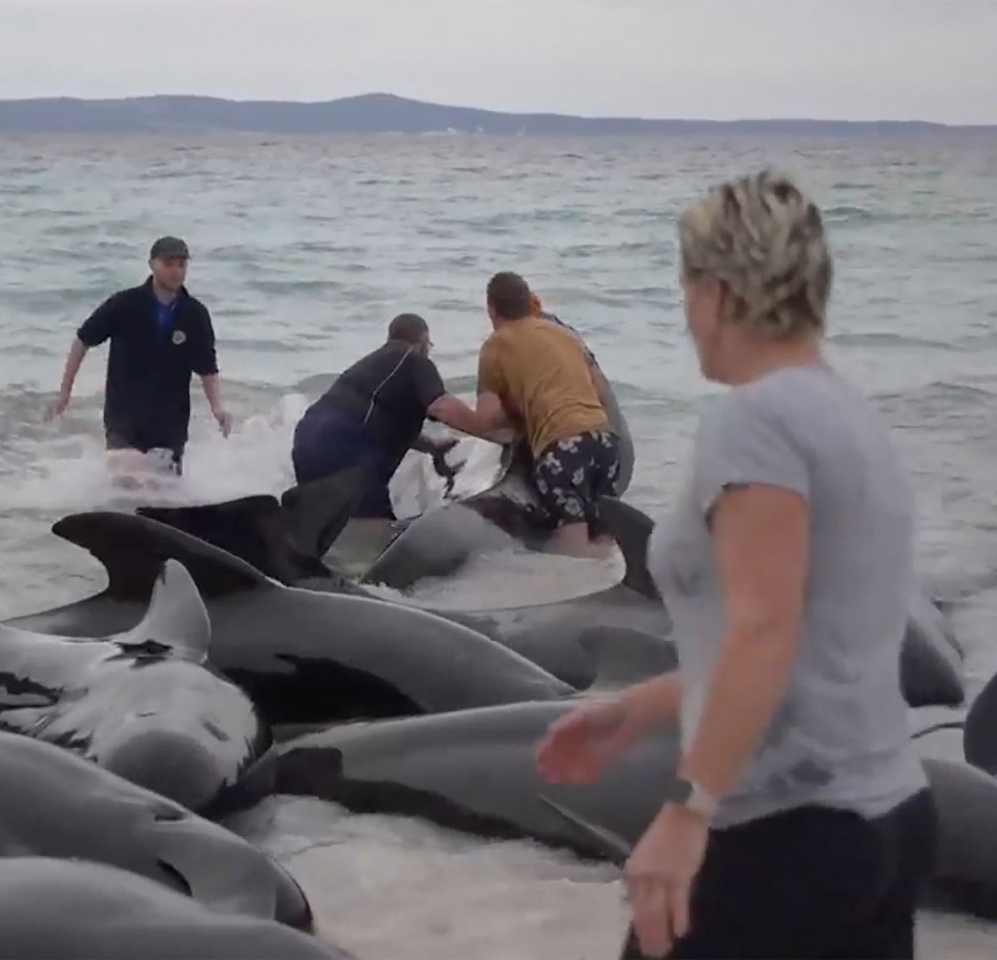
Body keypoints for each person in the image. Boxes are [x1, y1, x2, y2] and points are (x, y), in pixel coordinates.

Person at [535, 169, 935, 959]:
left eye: (687, 285)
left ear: (719, 290)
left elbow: (765, 630)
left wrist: (687, 812)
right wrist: (638, 709)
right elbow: (813, 648)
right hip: (889, 824)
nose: (685, 310)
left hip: (782, 835)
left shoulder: (756, 419)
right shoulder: (850, 420)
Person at [291, 312, 508, 521]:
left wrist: (432, 447)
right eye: (429, 345)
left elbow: (376, 420)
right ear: (423, 341)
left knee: (323, 526)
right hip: (349, 448)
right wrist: (493, 434)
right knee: (372, 531)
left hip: (306, 439)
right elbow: (441, 406)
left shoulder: (371, 365)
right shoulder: (414, 361)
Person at [47, 236, 232, 477]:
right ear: (152, 264)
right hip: (123, 415)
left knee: (164, 496)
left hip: (170, 421)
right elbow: (83, 341)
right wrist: (65, 393)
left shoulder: (195, 313)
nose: (176, 271)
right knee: (126, 481)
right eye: (169, 263)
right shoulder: (125, 304)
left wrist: (218, 407)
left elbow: (207, 367)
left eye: (181, 264)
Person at [474, 271, 620, 556]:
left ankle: (572, 596)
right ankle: (612, 592)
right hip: (606, 443)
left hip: (562, 448)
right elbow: (600, 392)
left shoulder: (495, 345)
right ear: (530, 303)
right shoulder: (565, 335)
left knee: (572, 543)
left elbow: (488, 418)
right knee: (601, 536)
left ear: (491, 309)